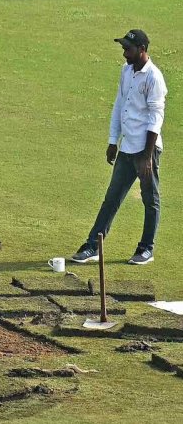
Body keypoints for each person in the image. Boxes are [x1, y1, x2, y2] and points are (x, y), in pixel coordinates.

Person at [71, 30, 168, 266]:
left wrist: (147, 156)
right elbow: (119, 106)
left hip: (146, 150)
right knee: (111, 198)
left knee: (150, 199)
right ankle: (93, 245)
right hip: (126, 149)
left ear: (142, 49)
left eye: (128, 49)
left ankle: (146, 249)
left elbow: (156, 118)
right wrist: (113, 140)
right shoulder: (126, 72)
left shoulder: (154, 78)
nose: (125, 53)